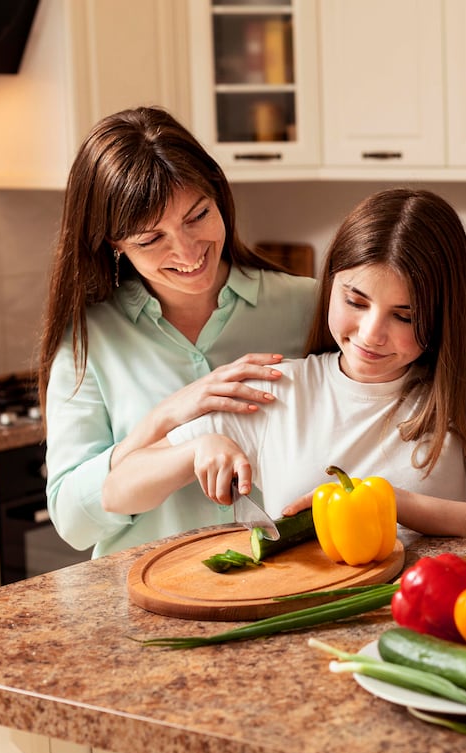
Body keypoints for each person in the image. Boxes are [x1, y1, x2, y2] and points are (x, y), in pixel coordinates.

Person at [102, 189, 466, 540]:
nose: (370, 333)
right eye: (355, 301)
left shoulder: (465, 389)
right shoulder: (278, 388)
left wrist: (388, 502)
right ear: (329, 285)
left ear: (442, 317)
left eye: (405, 316)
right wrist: (197, 449)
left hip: (424, 616)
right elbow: (117, 492)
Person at [39, 107, 319, 559]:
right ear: (114, 243)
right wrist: (167, 419)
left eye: (197, 216)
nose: (187, 251)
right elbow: (73, 521)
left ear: (218, 195)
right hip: (146, 602)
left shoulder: (308, 307)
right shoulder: (90, 340)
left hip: (290, 586)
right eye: (151, 240)